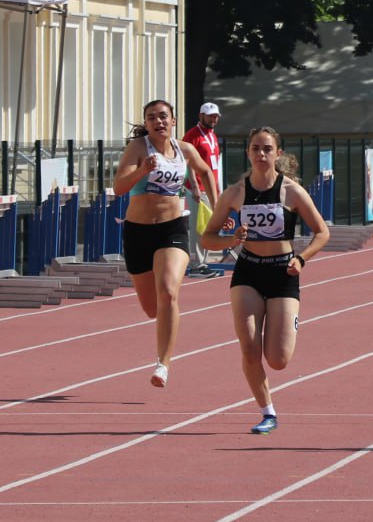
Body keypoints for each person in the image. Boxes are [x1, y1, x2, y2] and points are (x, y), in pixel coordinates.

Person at [200, 127, 331, 434]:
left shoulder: (292, 192)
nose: (261, 154)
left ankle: (287, 324)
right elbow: (207, 238)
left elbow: (322, 232)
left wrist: (302, 259)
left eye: (267, 149)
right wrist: (232, 240)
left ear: (277, 153)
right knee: (249, 348)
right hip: (248, 272)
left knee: (278, 359)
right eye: (255, 148)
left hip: (283, 273)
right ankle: (267, 412)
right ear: (248, 152)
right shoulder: (235, 193)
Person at [113, 99, 221, 388]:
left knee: (169, 292)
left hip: (173, 229)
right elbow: (119, 187)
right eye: (151, 117)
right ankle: (163, 343)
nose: (158, 121)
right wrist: (142, 170)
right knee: (152, 309)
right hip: (138, 232)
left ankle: (163, 364)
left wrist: (217, 207)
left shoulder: (185, 150)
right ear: (146, 123)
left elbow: (206, 172)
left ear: (173, 121)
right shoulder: (138, 148)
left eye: (163, 116)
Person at [182, 101, 224, 274]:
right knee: (198, 227)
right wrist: (194, 186)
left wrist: (217, 188)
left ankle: (203, 262)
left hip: (210, 188)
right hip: (198, 187)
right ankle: (196, 264)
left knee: (207, 226)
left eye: (216, 116)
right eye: (210, 116)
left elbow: (214, 165)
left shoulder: (212, 135)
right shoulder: (192, 135)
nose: (213, 119)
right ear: (201, 116)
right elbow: (189, 162)